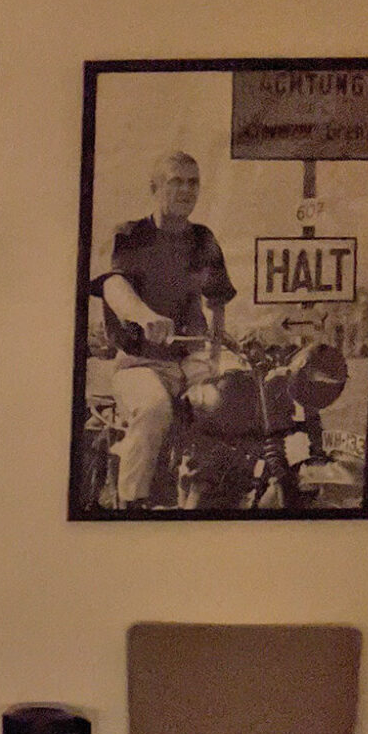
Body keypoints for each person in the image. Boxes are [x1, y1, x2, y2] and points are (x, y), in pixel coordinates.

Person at [93, 151, 235, 508]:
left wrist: (215, 357)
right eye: (176, 181)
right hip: (139, 363)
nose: (187, 190)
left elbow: (217, 303)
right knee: (155, 408)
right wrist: (144, 316)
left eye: (194, 182)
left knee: (235, 399)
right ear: (154, 187)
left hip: (190, 362)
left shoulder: (204, 239)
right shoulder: (128, 236)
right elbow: (114, 287)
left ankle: (213, 492)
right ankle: (132, 503)